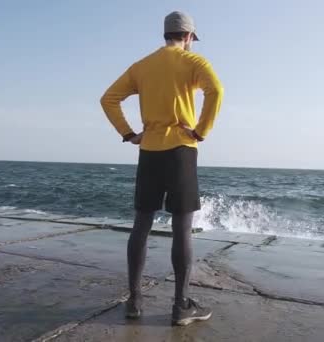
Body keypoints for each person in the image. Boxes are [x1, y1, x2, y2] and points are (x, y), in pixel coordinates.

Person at [100, 11, 224, 326]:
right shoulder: (195, 64)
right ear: (188, 37)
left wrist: (129, 134)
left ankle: (134, 301)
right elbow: (216, 92)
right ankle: (181, 306)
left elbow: (108, 99)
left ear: (166, 35)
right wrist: (200, 130)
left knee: (141, 224)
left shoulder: (142, 66)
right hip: (182, 149)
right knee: (182, 228)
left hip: (150, 151)